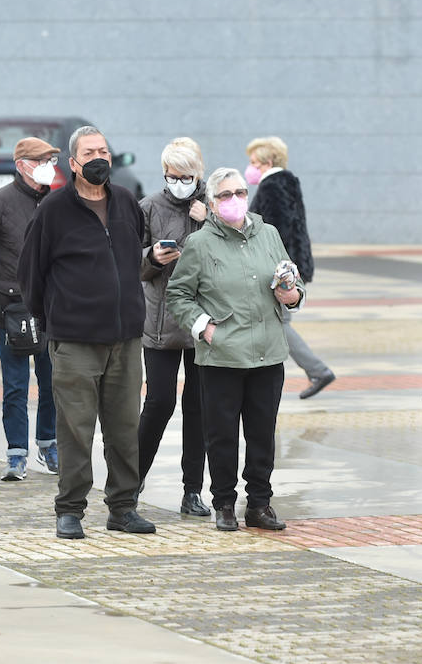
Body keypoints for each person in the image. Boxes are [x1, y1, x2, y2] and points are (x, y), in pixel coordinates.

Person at [18, 125, 156, 538]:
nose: (99, 157)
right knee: (75, 427)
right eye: (89, 152)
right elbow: (31, 275)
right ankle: (71, 509)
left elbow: (135, 263)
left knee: (124, 426)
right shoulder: (54, 210)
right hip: (75, 339)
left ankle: (123, 508)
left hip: (127, 338)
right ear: (73, 162)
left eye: (104, 151)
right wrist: (55, 318)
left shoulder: (127, 203)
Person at [166, 167, 303, 532]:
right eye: (225, 195)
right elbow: (177, 294)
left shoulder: (269, 234)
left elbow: (292, 279)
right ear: (212, 203)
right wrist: (204, 328)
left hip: (267, 353)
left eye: (240, 192)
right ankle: (224, 502)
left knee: (262, 433)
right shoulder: (199, 243)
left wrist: (292, 294)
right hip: (222, 355)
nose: (234, 200)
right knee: (222, 434)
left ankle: (260, 503)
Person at [0, 137, 59, 482]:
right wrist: (2, 285)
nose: (49, 165)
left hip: (52, 308)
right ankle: (16, 454)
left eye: (52, 159)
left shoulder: (57, 201)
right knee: (15, 385)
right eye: (41, 159)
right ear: (22, 164)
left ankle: (49, 444)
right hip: (10, 307)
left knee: (52, 382)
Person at [138, 141, 210, 516]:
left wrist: (209, 219)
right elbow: (128, 261)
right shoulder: (149, 207)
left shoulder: (212, 207)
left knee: (198, 407)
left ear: (198, 174)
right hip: (160, 322)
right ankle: (132, 480)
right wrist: (151, 256)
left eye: (186, 176)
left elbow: (232, 252)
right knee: (159, 401)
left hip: (202, 324)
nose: (179, 182)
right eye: (172, 175)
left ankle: (192, 490)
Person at [246, 136, 335, 399]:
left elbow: (276, 231)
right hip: (292, 263)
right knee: (279, 323)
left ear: (267, 162)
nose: (249, 168)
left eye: (253, 162)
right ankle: (314, 371)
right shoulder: (285, 183)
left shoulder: (272, 186)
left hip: (281, 268)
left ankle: (318, 370)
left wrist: (277, 269)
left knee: (279, 323)